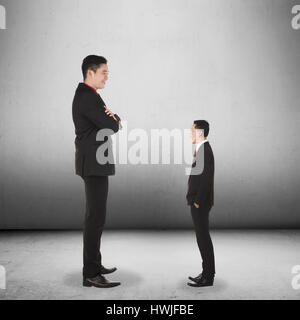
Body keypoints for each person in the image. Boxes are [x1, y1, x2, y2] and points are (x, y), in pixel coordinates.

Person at [72, 55, 121, 288]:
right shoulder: (87, 97)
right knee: (95, 218)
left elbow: (109, 122)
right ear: (90, 73)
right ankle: (90, 273)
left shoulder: (91, 95)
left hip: (94, 163)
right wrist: (115, 118)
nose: (107, 76)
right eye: (104, 72)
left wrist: (112, 119)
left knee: (96, 217)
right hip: (93, 164)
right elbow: (111, 125)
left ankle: (95, 264)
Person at [186, 120, 215, 287]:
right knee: (201, 238)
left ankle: (208, 276)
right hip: (198, 202)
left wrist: (197, 202)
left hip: (200, 203)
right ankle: (206, 272)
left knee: (203, 239)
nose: (190, 133)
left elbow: (206, 179)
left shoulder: (205, 150)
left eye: (192, 130)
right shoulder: (202, 149)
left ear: (199, 132)